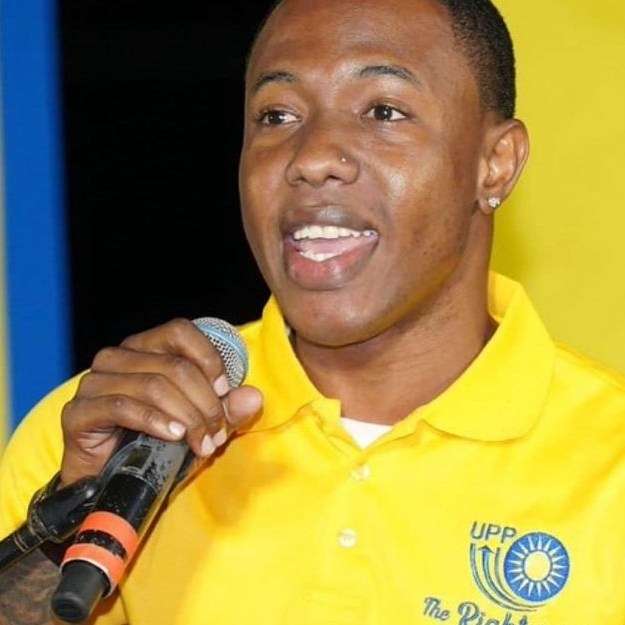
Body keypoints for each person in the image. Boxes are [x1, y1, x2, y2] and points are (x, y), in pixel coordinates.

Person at [1, 0, 624, 623]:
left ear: (496, 163)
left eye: (383, 112)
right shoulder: (110, 430)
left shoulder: (609, 461)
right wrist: (67, 519)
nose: (312, 157)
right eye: (277, 116)